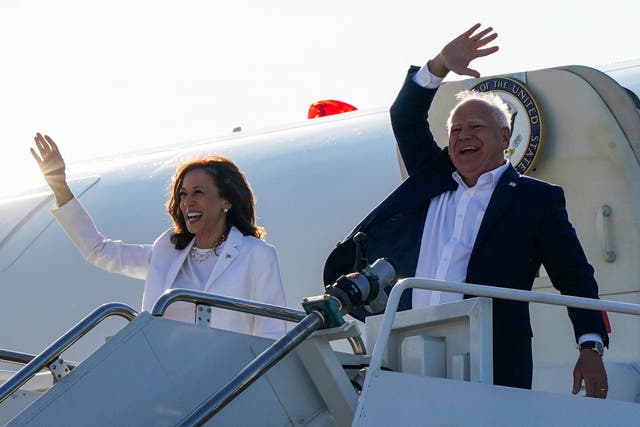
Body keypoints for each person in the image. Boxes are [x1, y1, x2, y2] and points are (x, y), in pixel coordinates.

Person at [324, 24, 609, 397]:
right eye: (456, 130)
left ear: (505, 139)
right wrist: (439, 64)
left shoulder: (535, 200)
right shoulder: (432, 178)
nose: (463, 137)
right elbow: (405, 117)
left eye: (476, 127)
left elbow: (574, 276)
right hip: (407, 347)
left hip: (490, 357)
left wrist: (590, 345)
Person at [31, 133, 287, 339]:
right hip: (167, 378)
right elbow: (99, 251)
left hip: (226, 383)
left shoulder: (256, 255)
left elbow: (272, 335)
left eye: (198, 192)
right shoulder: (167, 249)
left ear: (225, 200)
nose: (188, 202)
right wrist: (59, 187)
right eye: (183, 194)